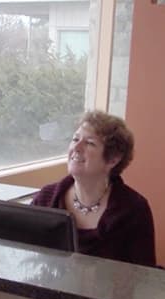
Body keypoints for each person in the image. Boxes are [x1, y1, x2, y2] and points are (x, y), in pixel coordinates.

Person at [31, 111, 155, 267]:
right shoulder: (45, 199)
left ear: (113, 159)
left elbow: (144, 277)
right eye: (75, 139)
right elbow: (28, 261)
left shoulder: (134, 209)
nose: (76, 147)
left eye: (89, 143)